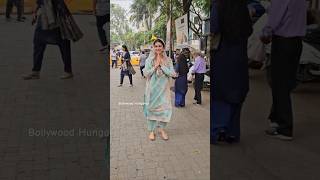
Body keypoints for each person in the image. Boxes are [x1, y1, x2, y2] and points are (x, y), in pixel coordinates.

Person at [260, 0, 306, 141]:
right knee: (285, 83)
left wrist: (265, 33)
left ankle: (285, 127)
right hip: (297, 42)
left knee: (279, 84)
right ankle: (276, 119)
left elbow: (275, 17)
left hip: (283, 42)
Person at [211, 0, 253, 144]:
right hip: (239, 57)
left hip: (223, 55)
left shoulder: (218, 5)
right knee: (237, 92)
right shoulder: (242, 6)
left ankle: (217, 131)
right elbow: (249, 29)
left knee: (220, 94)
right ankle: (232, 133)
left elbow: (214, 27)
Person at [23, 0, 83, 80]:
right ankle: (35, 71)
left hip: (56, 18)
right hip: (44, 17)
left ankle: (68, 71)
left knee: (63, 44)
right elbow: (40, 2)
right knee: (38, 42)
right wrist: (35, 13)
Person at [143, 38, 177, 141]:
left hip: (164, 90)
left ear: (163, 48)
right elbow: (146, 74)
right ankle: (152, 131)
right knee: (151, 109)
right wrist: (155, 66)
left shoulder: (168, 60)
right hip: (152, 89)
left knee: (165, 110)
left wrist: (162, 66)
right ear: (153, 47)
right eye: (156, 46)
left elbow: (173, 74)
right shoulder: (149, 60)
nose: (158, 48)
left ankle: (162, 130)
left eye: (160, 46)